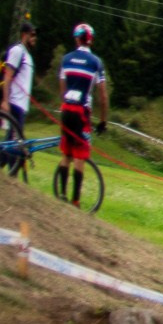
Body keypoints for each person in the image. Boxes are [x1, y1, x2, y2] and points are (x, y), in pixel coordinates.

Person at [53, 23, 107, 206]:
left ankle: (61, 194)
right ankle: (75, 200)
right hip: (82, 111)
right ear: (91, 40)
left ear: (77, 38)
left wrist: (65, 101)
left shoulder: (66, 59)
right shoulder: (96, 62)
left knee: (66, 154)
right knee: (80, 156)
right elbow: (103, 96)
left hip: (67, 108)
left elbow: (62, 87)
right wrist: (103, 121)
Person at [0, 20, 34, 173]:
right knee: (15, 143)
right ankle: (12, 178)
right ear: (24, 35)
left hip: (22, 106)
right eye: (32, 35)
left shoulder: (27, 56)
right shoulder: (18, 51)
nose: (34, 38)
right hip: (15, 103)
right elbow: (7, 76)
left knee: (11, 141)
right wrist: (5, 100)